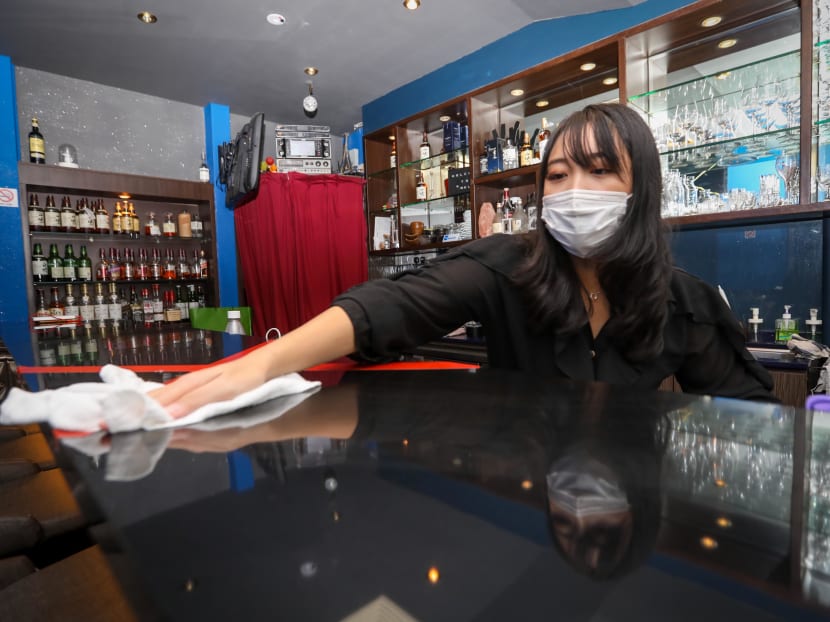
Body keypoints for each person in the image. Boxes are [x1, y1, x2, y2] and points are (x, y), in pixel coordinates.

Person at [151, 103, 774, 417]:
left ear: (642, 190)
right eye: (559, 174)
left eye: (600, 170)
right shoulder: (509, 263)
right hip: (521, 496)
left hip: (632, 497)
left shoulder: (682, 301)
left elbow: (751, 418)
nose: (574, 190)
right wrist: (261, 366)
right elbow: (391, 304)